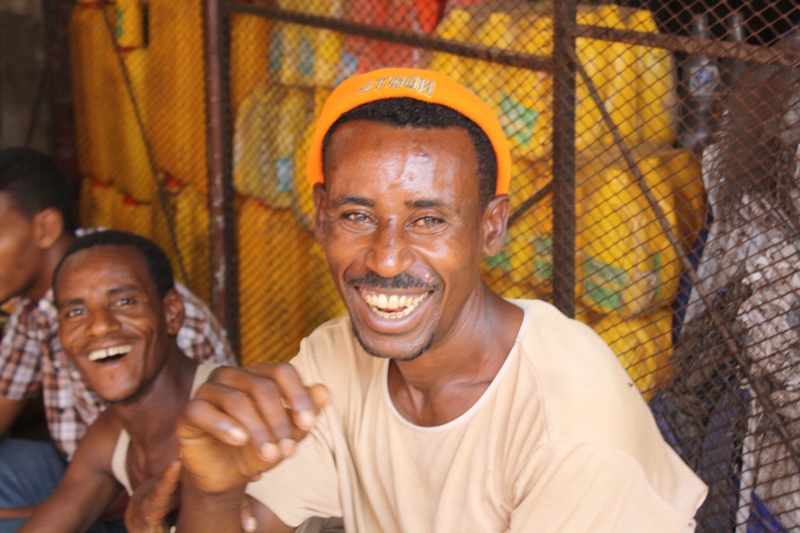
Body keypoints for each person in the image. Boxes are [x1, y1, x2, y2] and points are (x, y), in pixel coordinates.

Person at [161, 68, 708, 532]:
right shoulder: (335, 362)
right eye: (358, 216)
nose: (388, 258)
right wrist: (212, 494)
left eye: (429, 220)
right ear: (322, 214)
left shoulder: (569, 426)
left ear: (491, 228)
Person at [0, 148, 235, 529]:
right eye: (75, 312)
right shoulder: (108, 436)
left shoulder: (222, 415)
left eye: (124, 302)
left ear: (171, 312)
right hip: (94, 475)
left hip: (118, 503)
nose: (99, 326)